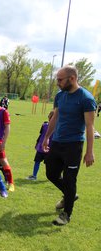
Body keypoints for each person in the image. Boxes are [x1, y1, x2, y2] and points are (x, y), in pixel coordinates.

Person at [42, 65, 96, 226]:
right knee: (51, 174)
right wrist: (46, 138)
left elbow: (90, 126)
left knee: (70, 179)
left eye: (60, 80)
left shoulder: (86, 98)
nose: (57, 82)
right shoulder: (60, 96)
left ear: (72, 79)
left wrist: (89, 152)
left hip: (74, 145)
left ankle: (66, 214)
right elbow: (55, 117)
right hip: (57, 142)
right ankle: (70, 195)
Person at [26, 110, 54, 180]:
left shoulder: (44, 125)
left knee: (38, 162)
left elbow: (40, 135)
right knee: (48, 164)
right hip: (47, 149)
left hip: (43, 148)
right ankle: (51, 177)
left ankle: (34, 176)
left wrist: (37, 144)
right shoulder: (54, 127)